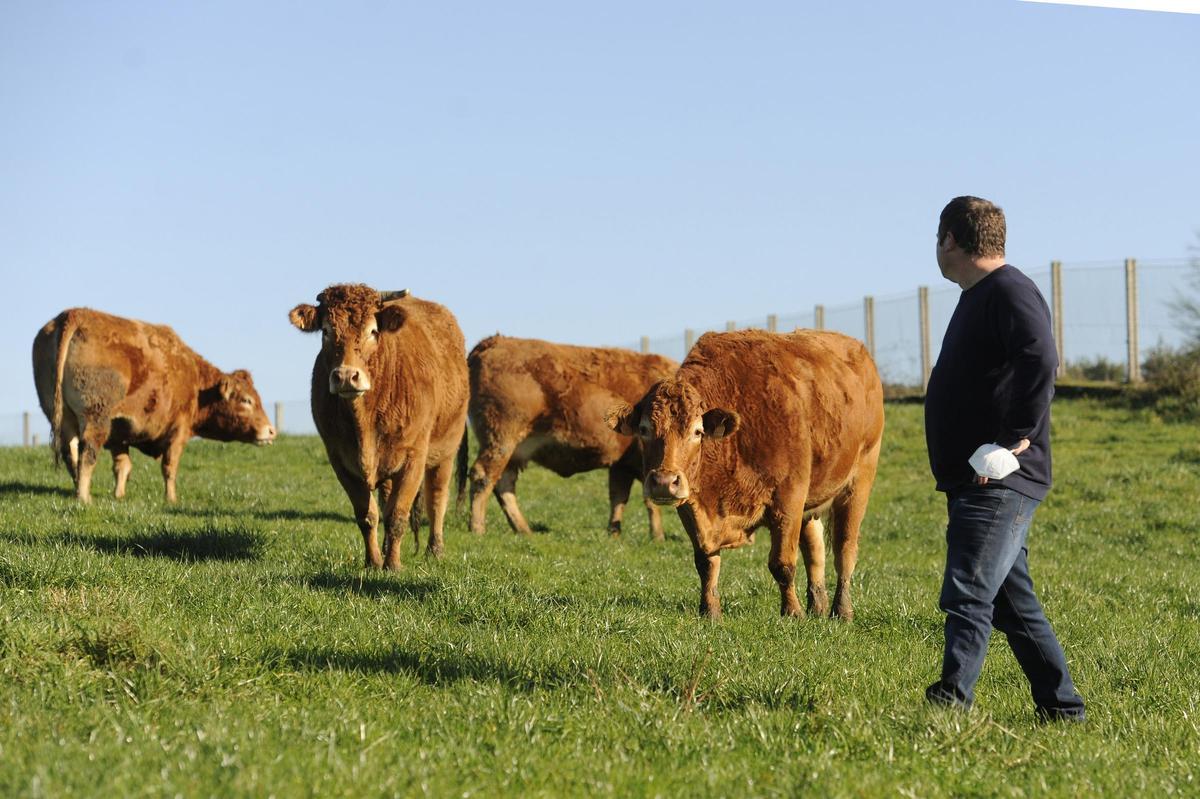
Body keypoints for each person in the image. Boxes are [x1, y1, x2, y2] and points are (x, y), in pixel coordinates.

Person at [923, 196, 1086, 722]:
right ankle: (1062, 710)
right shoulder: (983, 294)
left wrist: (1016, 435)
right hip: (977, 479)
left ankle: (949, 705)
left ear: (951, 239)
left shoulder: (1008, 289)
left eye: (938, 239)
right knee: (1011, 605)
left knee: (968, 589)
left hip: (996, 479)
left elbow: (1040, 355)